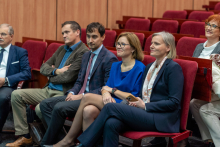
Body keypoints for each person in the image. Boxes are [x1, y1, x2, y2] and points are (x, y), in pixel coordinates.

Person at [75, 31, 184, 147]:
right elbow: (144, 94)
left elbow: (174, 102)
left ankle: (84, 143)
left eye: (156, 44)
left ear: (168, 47)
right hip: (144, 112)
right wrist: (137, 102)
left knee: (110, 107)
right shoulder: (150, 67)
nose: (151, 46)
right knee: (111, 123)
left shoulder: (173, 68)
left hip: (160, 118)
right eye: (151, 43)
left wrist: (145, 106)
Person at [48, 32, 146, 147]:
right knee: (88, 110)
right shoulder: (116, 65)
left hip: (126, 106)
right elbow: (106, 87)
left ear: (133, 48)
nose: (119, 46)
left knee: (88, 97)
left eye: (123, 44)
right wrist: (105, 94)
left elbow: (133, 98)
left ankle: (69, 140)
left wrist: (112, 91)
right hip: (109, 101)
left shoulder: (140, 68)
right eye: (118, 43)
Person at [6, 21, 89, 147]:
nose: (64, 35)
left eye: (67, 32)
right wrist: (56, 71)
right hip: (47, 89)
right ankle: (25, 136)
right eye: (62, 33)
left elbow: (68, 77)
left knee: (40, 108)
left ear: (77, 32)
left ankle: (61, 139)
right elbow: (43, 67)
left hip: (63, 93)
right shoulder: (62, 48)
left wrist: (51, 76)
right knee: (17, 94)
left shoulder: (83, 52)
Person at [39, 22, 118, 146]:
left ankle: (49, 142)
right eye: (88, 36)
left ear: (103, 37)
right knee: (45, 104)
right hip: (77, 95)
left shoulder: (109, 58)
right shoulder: (86, 55)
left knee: (59, 107)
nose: (90, 40)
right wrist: (72, 92)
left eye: (94, 36)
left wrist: (80, 96)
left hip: (91, 99)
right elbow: (80, 81)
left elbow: (105, 87)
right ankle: (62, 139)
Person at [189, 14, 220, 147]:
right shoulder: (199, 47)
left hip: (217, 90)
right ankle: (209, 140)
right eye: (208, 24)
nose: (209, 28)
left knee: (204, 109)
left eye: (214, 26)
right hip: (204, 89)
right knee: (193, 104)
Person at [0, 23, 31, 142]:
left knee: (2, 97)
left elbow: (26, 73)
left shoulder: (19, 52)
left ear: (11, 36)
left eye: (3, 34)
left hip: (7, 85)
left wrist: (6, 80)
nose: (0, 37)